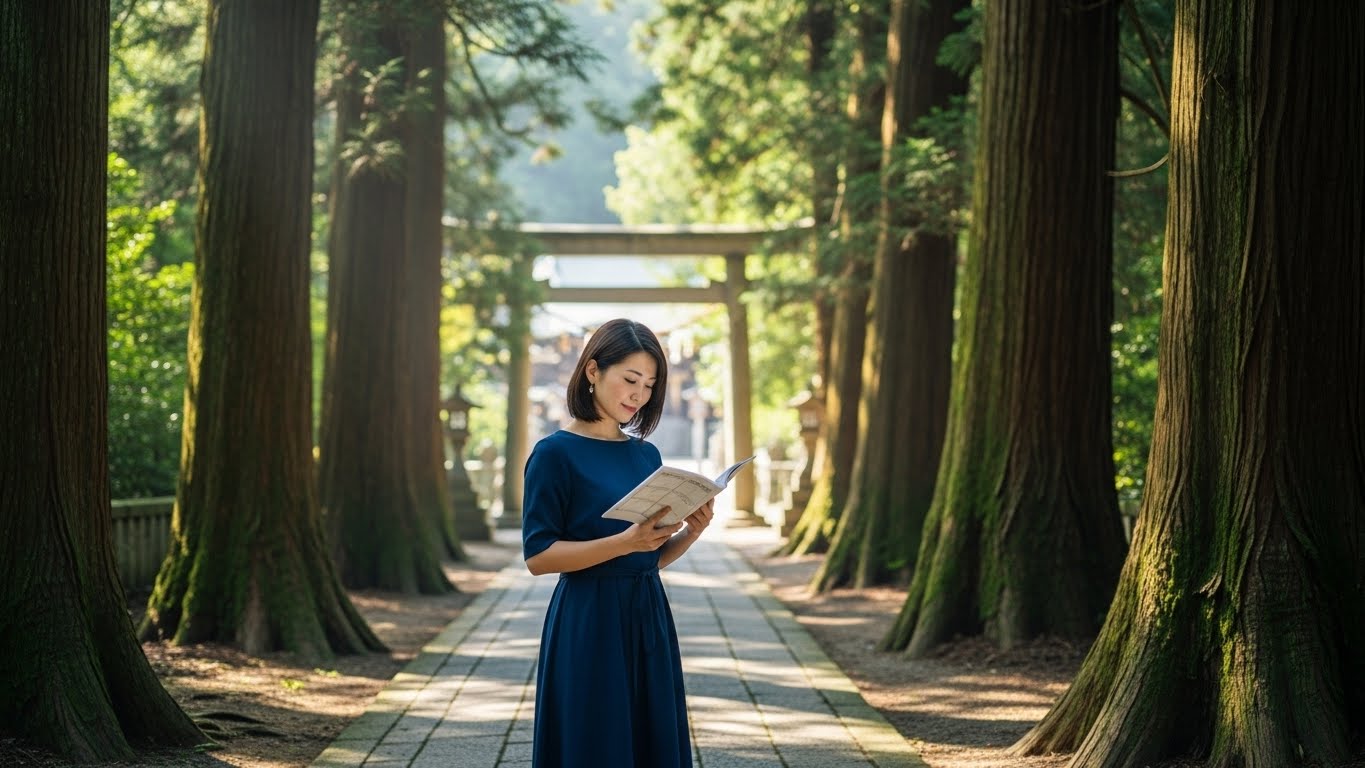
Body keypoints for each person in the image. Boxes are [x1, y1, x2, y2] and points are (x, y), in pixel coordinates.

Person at [521, 318, 714, 768]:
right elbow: (539, 556)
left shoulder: (646, 454)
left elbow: (648, 556)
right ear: (592, 371)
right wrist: (624, 542)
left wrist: (692, 530)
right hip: (588, 618)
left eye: (649, 385)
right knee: (595, 739)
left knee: (651, 736)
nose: (639, 395)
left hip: (647, 610)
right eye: (630, 380)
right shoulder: (554, 454)